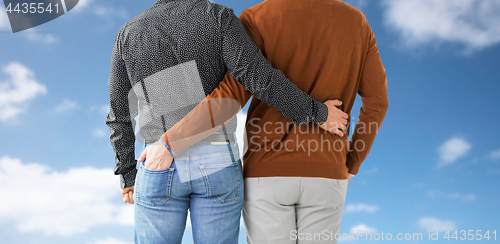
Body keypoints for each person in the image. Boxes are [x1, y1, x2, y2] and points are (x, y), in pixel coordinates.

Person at [145, 0, 389, 243]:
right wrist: (351, 163)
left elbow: (231, 95)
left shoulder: (258, 17)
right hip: (328, 171)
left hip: (266, 171)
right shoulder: (356, 21)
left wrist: (171, 141)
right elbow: (378, 103)